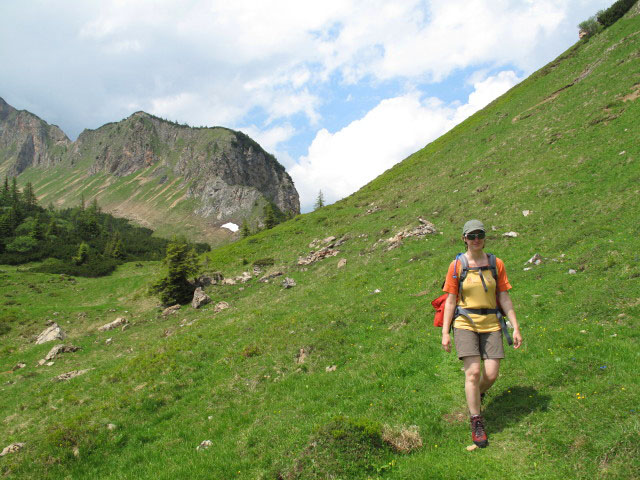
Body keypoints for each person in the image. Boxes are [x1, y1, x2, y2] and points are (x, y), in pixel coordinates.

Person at [441, 219, 522, 448]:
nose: (476, 239)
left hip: (492, 323)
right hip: (465, 322)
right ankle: (476, 421)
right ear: (464, 239)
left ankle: (476, 395)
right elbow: (450, 301)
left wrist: (515, 326)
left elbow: (504, 296)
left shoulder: (496, 264)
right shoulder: (456, 265)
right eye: (472, 235)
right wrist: (445, 332)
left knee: (492, 374)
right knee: (473, 373)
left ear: (484, 237)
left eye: (480, 235)